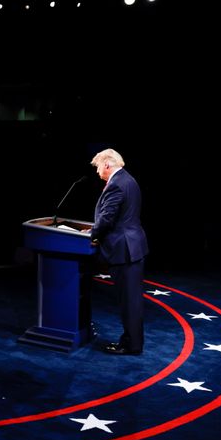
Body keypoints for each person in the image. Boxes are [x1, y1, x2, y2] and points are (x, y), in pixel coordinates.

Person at [88, 148, 149, 355]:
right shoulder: (128, 180)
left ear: (107, 164)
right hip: (131, 246)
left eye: (98, 167)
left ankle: (131, 345)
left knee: (129, 301)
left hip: (125, 249)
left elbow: (107, 219)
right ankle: (130, 341)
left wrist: (90, 234)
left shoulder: (116, 185)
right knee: (130, 300)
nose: (97, 172)